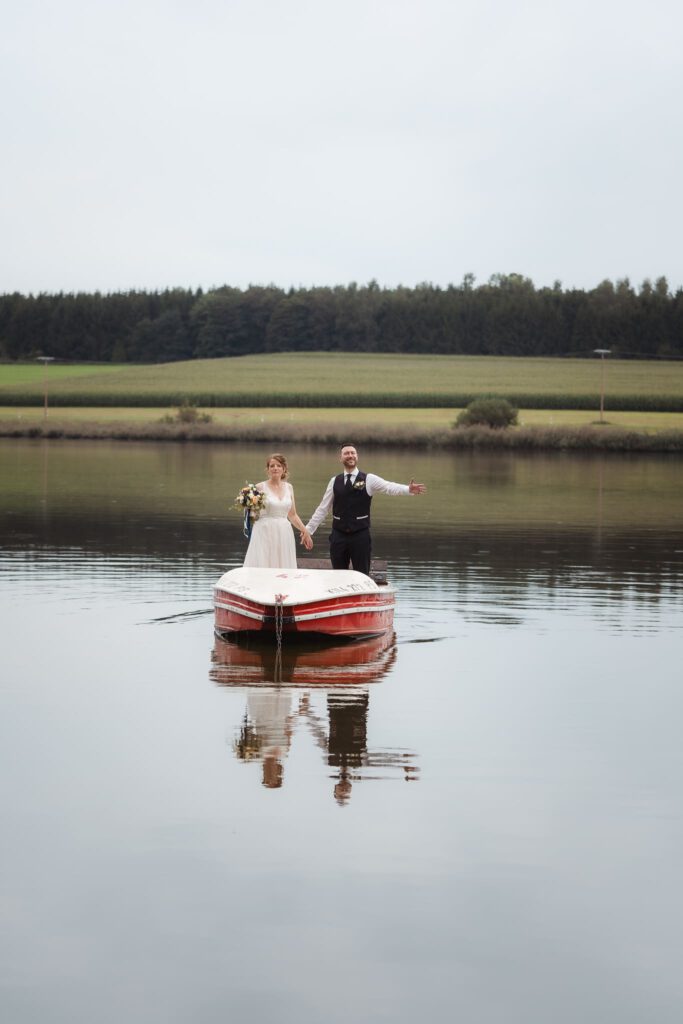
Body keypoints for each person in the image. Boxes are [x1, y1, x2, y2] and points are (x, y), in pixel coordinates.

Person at [303, 443, 426, 576]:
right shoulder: (334, 481)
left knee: (362, 575)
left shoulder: (369, 479)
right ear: (340, 458)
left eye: (353, 453)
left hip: (360, 536)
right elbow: (323, 508)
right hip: (338, 536)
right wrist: (308, 530)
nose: (350, 455)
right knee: (338, 575)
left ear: (357, 457)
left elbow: (389, 487)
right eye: (346, 453)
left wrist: (407, 489)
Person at [243, 453, 313, 568]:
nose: (275, 468)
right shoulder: (259, 487)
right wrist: (249, 507)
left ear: (284, 468)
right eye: (272, 466)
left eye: (279, 465)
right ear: (268, 469)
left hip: (284, 531)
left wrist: (305, 532)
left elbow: (293, 515)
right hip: (264, 531)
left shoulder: (289, 487)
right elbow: (251, 515)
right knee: (264, 564)